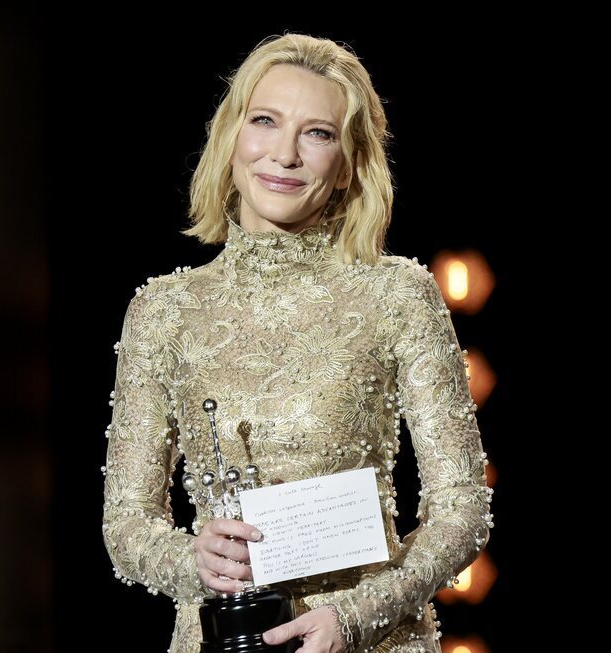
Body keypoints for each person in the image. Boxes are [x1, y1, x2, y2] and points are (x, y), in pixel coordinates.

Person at [101, 32, 495, 653]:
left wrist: (356, 617)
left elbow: (463, 508)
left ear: (346, 167)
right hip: (224, 639)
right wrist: (194, 562)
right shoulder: (163, 311)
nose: (284, 154)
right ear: (232, 138)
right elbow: (126, 526)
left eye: (318, 133)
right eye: (265, 121)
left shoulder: (396, 294)